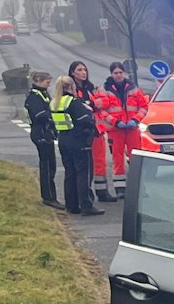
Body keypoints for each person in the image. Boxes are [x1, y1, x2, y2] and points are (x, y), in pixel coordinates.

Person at [52, 74, 101, 216]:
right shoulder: (73, 102)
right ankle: (86, 205)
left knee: (70, 173)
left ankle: (71, 205)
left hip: (63, 139)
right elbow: (85, 120)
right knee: (83, 174)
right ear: (71, 86)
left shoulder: (54, 102)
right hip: (78, 140)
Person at [98, 61, 149, 198]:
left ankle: (138, 187)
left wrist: (136, 120)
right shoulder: (104, 90)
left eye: (120, 72)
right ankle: (120, 189)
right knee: (118, 159)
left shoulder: (133, 88)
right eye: (116, 73)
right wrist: (116, 122)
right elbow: (102, 111)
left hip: (132, 129)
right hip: (116, 130)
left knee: (136, 158)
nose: (119, 75)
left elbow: (144, 106)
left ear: (124, 73)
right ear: (111, 74)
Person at [65, 61, 112, 202]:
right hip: (82, 132)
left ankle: (102, 191)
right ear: (73, 73)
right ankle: (86, 195)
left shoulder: (92, 88)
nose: (83, 72)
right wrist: (91, 105)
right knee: (85, 166)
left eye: (84, 69)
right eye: (79, 70)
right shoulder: (72, 90)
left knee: (100, 161)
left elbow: (105, 101)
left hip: (96, 130)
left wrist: (91, 104)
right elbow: (77, 106)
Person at [24, 69, 63, 210]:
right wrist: (52, 115)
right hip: (40, 133)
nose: (49, 84)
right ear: (39, 81)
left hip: (46, 132)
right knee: (46, 166)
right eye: (47, 81)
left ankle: (51, 196)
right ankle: (48, 197)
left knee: (51, 165)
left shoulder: (43, 94)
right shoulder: (34, 97)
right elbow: (40, 115)